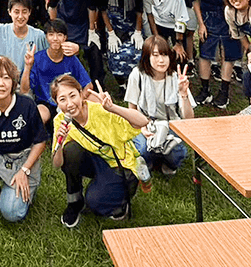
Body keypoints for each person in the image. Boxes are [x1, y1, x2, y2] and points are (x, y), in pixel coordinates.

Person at [51, 76, 149, 227]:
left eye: (73, 96)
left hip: (119, 163)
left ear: (81, 94)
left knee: (95, 202)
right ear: (57, 103)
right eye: (62, 99)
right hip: (96, 157)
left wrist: (113, 108)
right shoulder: (61, 121)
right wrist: (60, 141)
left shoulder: (99, 110)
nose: (69, 104)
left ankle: (123, 198)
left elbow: (142, 121)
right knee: (70, 150)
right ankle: (74, 201)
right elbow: (57, 164)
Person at [0, 55, 48, 222]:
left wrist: (24, 170)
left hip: (23, 159)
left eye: (6, 78)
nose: (1, 83)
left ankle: (18, 190)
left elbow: (40, 141)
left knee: (12, 213)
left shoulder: (26, 105)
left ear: (13, 82)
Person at [125, 36, 194, 176]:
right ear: (146, 57)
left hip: (171, 125)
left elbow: (189, 119)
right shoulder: (137, 75)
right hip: (146, 123)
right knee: (144, 150)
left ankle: (167, 162)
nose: (161, 60)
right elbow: (131, 109)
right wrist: (142, 128)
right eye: (155, 55)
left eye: (164, 55)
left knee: (176, 153)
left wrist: (183, 94)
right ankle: (149, 160)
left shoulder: (176, 78)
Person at [187, 0, 240, 109]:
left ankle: (224, 91)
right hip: (207, 16)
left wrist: (233, 24)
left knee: (229, 55)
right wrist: (201, 24)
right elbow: (195, 0)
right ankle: (205, 90)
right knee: (205, 54)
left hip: (228, 16)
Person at [21, 19, 93, 124]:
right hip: (46, 103)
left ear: (65, 38)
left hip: (70, 102)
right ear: (46, 37)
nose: (55, 39)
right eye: (51, 34)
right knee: (40, 116)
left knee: (95, 99)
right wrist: (28, 66)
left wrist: (79, 100)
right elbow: (24, 89)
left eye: (59, 35)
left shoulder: (71, 59)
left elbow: (88, 85)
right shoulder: (38, 59)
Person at [0, 0, 50, 75]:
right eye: (16, 12)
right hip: (6, 80)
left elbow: (51, 53)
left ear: (29, 12)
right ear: (9, 12)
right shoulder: (0, 29)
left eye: (24, 12)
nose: (20, 16)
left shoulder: (39, 35)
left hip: (30, 81)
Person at [102, 0, 145, 87]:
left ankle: (137, 82)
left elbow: (139, 13)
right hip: (114, 30)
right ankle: (122, 84)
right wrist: (110, 33)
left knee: (137, 52)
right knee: (115, 54)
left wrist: (137, 32)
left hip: (132, 29)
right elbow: (104, 13)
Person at [142, 0, 191, 67]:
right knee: (159, 51)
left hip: (175, 26)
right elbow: (149, 14)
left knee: (180, 55)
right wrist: (156, 36)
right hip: (158, 23)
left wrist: (179, 43)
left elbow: (181, 21)